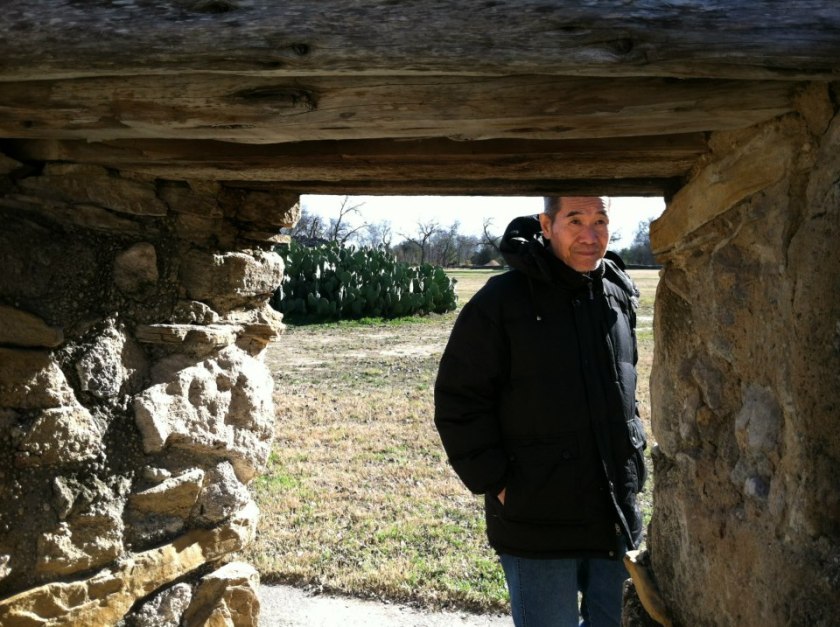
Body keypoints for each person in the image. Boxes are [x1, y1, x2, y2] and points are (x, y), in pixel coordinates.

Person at [434, 196, 647, 627]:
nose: (590, 235)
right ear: (546, 225)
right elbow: (459, 399)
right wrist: (497, 482)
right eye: (575, 220)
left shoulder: (617, 294)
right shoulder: (501, 301)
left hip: (614, 515)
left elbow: (626, 391)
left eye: (600, 220)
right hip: (536, 520)